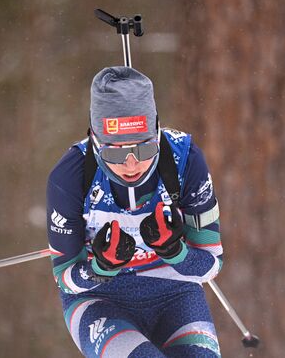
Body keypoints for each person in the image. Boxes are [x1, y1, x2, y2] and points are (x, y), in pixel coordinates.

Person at [47, 66, 223, 357]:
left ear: (157, 132)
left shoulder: (184, 159)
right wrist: (100, 267)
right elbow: (65, 278)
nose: (131, 165)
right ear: (94, 140)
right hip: (98, 299)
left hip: (175, 291)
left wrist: (175, 252)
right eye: (115, 153)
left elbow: (212, 266)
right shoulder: (70, 176)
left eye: (144, 149)